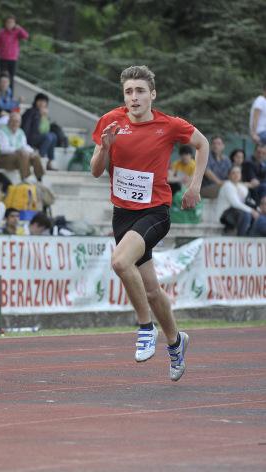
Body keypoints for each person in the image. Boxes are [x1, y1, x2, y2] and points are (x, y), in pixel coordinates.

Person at [89, 65, 209, 381]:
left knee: (119, 261)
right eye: (129, 91)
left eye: (140, 91)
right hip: (123, 214)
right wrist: (106, 147)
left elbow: (203, 144)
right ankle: (175, 342)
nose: (134, 97)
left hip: (155, 213)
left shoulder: (168, 125)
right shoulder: (110, 122)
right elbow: (96, 171)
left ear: (152, 95)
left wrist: (195, 185)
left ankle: (145, 327)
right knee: (153, 290)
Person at [0, 111, 44, 181]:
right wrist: (18, 150)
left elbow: (24, 145)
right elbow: (3, 149)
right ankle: (25, 179)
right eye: (13, 121)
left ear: (20, 123)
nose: (15, 124)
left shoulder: (20, 132)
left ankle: (39, 179)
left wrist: (32, 152)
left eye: (17, 122)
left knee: (35, 155)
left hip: (18, 159)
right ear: (9, 121)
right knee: (23, 154)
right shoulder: (1, 131)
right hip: (3, 159)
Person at [215, 166, 258, 236]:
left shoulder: (240, 187)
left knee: (255, 215)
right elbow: (235, 204)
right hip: (224, 216)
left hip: (234, 214)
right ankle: (241, 237)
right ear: (229, 176)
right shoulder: (227, 186)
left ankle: (249, 236)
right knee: (247, 215)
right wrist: (252, 211)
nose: (236, 175)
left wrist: (257, 210)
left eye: (238, 173)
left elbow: (248, 201)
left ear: (241, 175)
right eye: (233, 173)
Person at [0, 15, 28, 91]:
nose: (9, 24)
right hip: (3, 58)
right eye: (8, 22)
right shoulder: (2, 32)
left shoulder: (17, 32)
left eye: (11, 22)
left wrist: (20, 28)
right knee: (2, 76)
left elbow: (26, 36)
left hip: (13, 59)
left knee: (11, 78)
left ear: (14, 23)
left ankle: (9, 94)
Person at [21, 93, 58, 170]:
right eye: (40, 101)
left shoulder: (43, 114)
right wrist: (24, 141)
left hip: (39, 137)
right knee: (49, 137)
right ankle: (39, 159)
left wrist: (44, 117)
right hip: (30, 138)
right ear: (36, 101)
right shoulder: (30, 112)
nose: (41, 103)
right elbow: (25, 127)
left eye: (44, 102)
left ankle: (49, 162)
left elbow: (45, 130)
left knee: (53, 136)